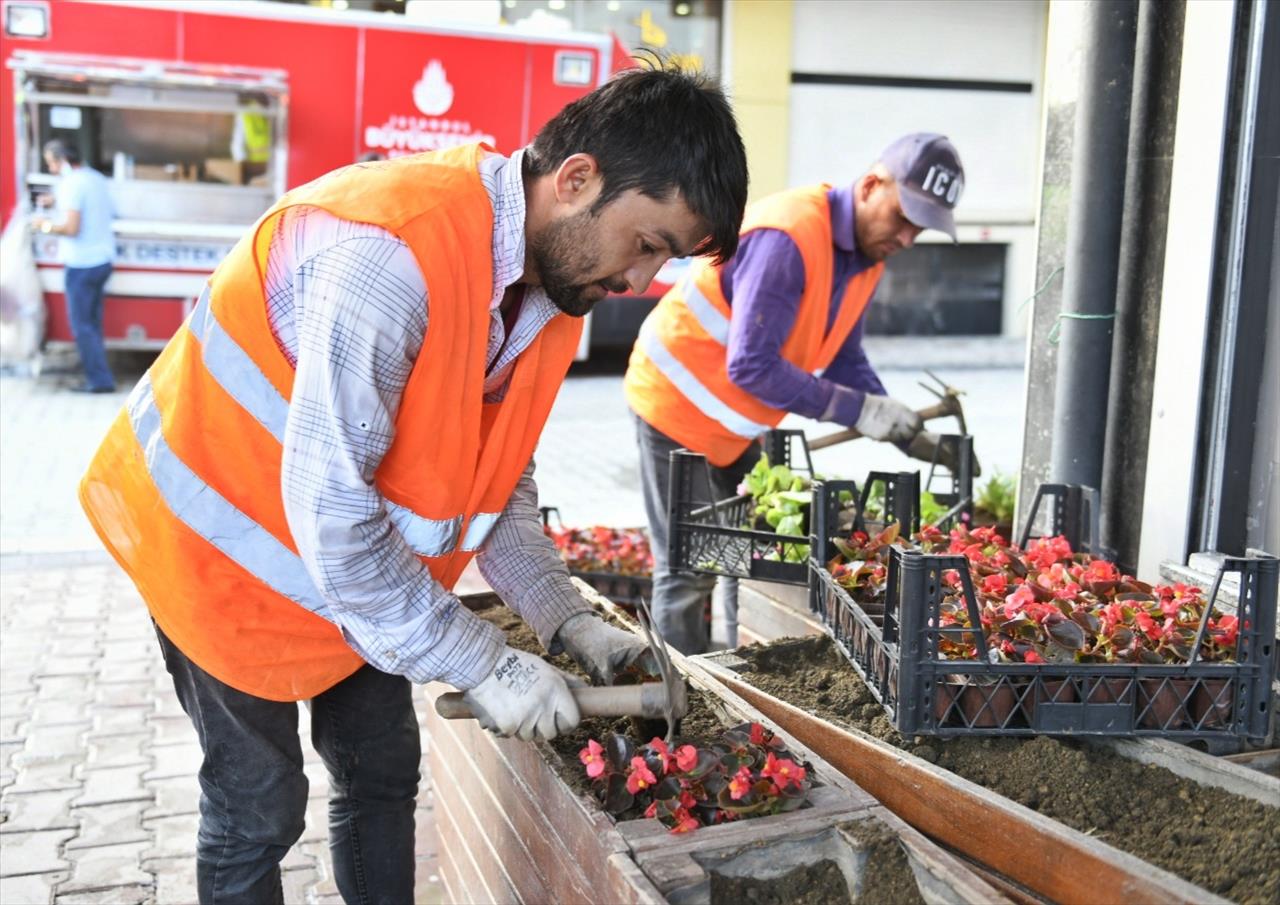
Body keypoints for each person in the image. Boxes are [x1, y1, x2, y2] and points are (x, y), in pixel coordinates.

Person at [79, 64, 747, 904]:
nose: (640, 282)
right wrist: (486, 663)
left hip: (343, 568)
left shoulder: (549, 286)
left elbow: (496, 482)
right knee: (259, 807)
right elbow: (335, 518)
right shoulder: (390, 256)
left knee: (383, 769)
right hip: (218, 555)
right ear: (578, 180)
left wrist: (567, 621)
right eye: (648, 244)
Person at [624, 132, 966, 654]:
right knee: (687, 567)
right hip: (675, 406)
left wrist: (892, 418)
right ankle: (681, 705)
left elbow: (845, 356)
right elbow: (753, 367)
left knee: (753, 551)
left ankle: (736, 677)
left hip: (738, 425)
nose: (907, 238)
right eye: (904, 217)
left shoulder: (865, 259)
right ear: (872, 184)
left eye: (921, 228)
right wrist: (860, 409)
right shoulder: (789, 236)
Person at [31, 140, 117, 393]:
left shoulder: (71, 184)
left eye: (52, 164)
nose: (52, 170)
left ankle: (99, 381)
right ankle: (98, 375)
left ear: (63, 160)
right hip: (101, 260)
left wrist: (43, 225)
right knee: (92, 324)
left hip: (82, 264)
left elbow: (71, 228)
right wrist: (56, 199)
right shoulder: (95, 178)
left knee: (82, 326)